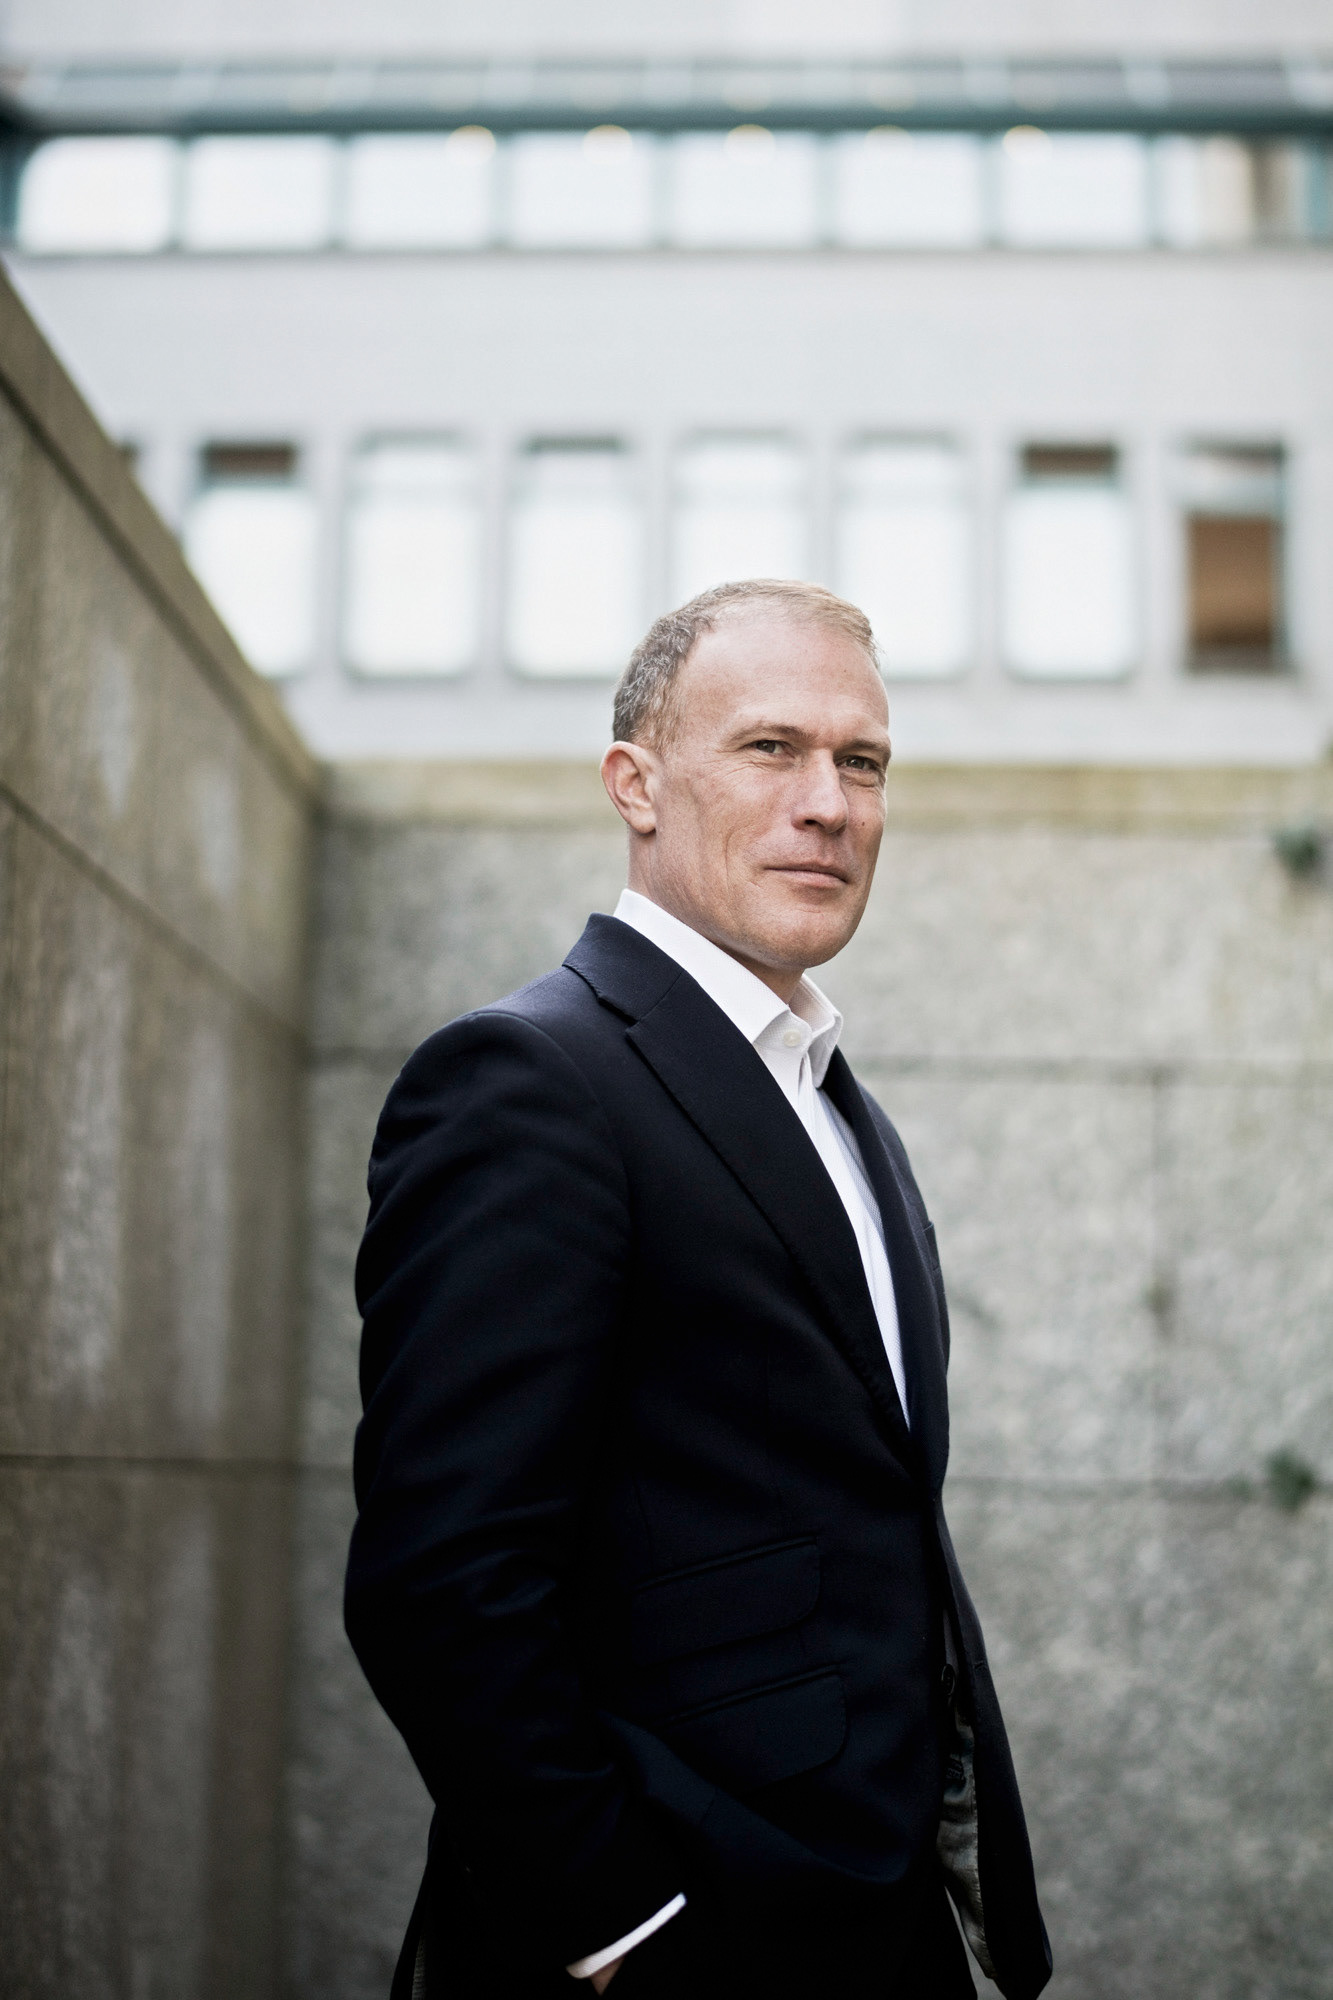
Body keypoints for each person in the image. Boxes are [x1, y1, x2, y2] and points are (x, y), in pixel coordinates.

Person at [345, 579, 1051, 2000]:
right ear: (636, 785)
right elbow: (441, 1581)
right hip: (679, 1937)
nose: (828, 804)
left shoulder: (834, 1103)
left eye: (862, 762)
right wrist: (624, 1933)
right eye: (770, 748)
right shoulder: (527, 1081)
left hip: (876, 1912)